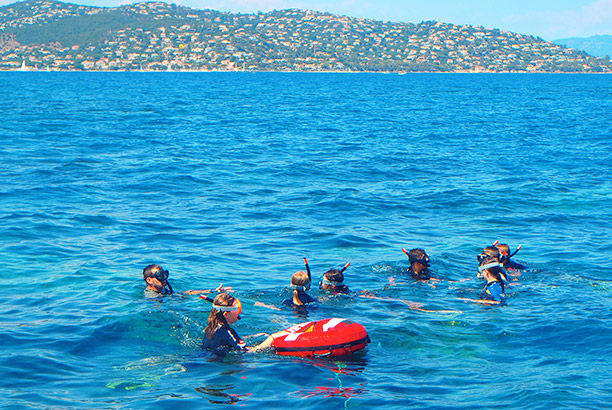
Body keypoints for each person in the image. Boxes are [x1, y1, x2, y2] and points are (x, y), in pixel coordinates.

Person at [201, 293, 289, 355]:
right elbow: (247, 351)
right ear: (226, 315)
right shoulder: (228, 332)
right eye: (237, 310)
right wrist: (271, 339)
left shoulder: (211, 327)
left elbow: (226, 340)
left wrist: (253, 337)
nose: (239, 313)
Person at [142, 264, 229, 298]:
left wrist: (213, 291)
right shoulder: (152, 298)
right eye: (160, 275)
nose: (164, 278)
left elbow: (187, 292)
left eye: (165, 274)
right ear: (149, 280)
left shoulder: (164, 291)